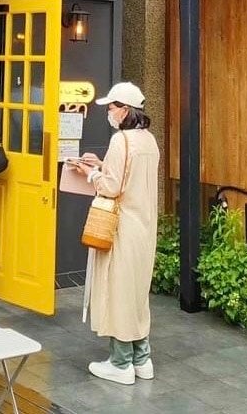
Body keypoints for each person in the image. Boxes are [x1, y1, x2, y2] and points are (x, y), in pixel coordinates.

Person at [73, 81, 160, 385]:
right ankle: (142, 358)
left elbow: (111, 186)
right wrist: (102, 165)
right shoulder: (149, 140)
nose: (109, 112)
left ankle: (121, 363)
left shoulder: (121, 140)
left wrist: (91, 173)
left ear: (125, 110)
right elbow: (129, 176)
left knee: (119, 291)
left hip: (121, 227)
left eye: (111, 107)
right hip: (144, 227)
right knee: (137, 293)